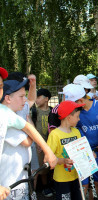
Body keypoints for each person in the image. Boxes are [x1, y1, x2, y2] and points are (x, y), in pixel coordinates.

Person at [0, 68, 56, 200]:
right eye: (21, 96)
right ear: (8, 98)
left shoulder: (9, 111)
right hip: (9, 181)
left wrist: (48, 151)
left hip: (19, 177)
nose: (25, 99)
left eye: (1, 86)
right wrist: (30, 122)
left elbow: (30, 102)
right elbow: (27, 141)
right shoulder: (7, 114)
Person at [47, 100, 85, 200]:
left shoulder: (76, 131)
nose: (79, 119)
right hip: (61, 179)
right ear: (68, 117)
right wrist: (62, 161)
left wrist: (88, 154)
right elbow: (47, 159)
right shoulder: (54, 134)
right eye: (77, 116)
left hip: (76, 176)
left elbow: (81, 150)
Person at [32, 88, 53, 197]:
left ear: (46, 99)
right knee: (41, 167)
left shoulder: (52, 111)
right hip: (38, 145)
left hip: (50, 144)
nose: (36, 100)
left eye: (38, 97)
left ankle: (50, 185)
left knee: (50, 166)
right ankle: (44, 187)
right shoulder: (34, 111)